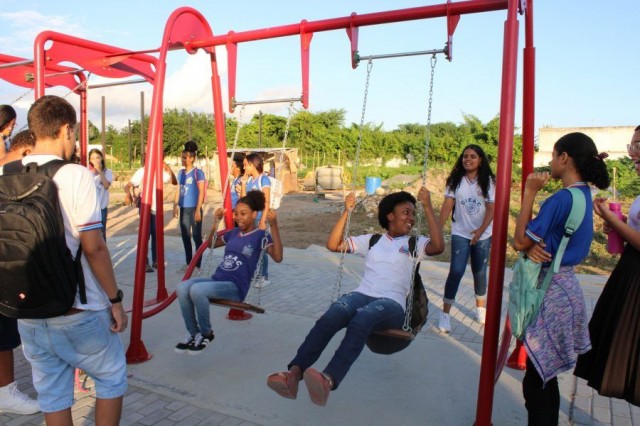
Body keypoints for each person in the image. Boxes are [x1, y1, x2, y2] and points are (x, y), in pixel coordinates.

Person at [0, 95, 128, 425]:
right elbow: (94, 248)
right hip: (78, 309)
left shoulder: (6, 172)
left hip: (26, 310)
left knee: (53, 394)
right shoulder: (74, 174)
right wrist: (115, 299)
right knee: (111, 378)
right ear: (65, 129)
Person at [266, 188, 444, 406]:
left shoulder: (413, 244)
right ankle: (293, 374)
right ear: (390, 216)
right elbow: (333, 245)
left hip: (392, 305)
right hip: (362, 294)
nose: (411, 218)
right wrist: (346, 212)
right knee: (331, 315)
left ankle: (328, 379)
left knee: (362, 319)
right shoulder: (372, 240)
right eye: (406, 212)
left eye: (413, 213)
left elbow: (438, 246)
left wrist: (426, 206)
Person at [512, 132, 610, 425]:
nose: (551, 162)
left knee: (538, 380)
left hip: (548, 291)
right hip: (567, 287)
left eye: (553, 155)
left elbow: (519, 241)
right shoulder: (583, 195)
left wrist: (528, 192)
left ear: (564, 158)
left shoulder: (560, 199)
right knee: (544, 374)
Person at [574, 126, 640, 406]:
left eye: (639, 145)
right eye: (632, 145)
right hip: (630, 272)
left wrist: (614, 222)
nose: (633, 152)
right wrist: (618, 224)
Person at [175, 191, 283, 354]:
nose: (238, 217)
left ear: (254, 214)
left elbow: (278, 257)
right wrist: (216, 222)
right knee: (182, 287)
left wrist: (274, 225)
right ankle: (193, 334)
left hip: (235, 287)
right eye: (236, 213)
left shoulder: (261, 236)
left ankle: (207, 334)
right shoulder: (233, 233)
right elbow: (211, 244)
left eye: (243, 214)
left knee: (197, 290)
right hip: (218, 280)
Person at [437, 144, 495, 332]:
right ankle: (445, 314)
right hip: (460, 232)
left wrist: (480, 231)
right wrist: (437, 227)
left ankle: (480, 308)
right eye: (465, 156)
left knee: (479, 271)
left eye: (472, 156)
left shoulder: (488, 181)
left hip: (483, 233)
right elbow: (447, 204)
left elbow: (491, 208)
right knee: (456, 271)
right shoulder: (455, 180)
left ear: (480, 160)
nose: (468, 159)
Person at [124, 159, 177, 272]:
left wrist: (167, 168)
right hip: (145, 207)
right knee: (145, 234)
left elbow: (174, 181)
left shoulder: (159, 172)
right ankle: (145, 261)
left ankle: (156, 260)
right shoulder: (142, 171)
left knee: (156, 234)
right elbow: (128, 185)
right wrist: (128, 194)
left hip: (157, 207)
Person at [173, 141, 206, 273]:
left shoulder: (198, 173)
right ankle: (189, 263)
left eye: (185, 157)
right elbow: (178, 190)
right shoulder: (181, 173)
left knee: (196, 237)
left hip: (194, 208)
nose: (182, 159)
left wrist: (198, 209)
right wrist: (175, 205)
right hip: (184, 209)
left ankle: (197, 265)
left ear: (192, 158)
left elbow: (202, 192)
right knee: (185, 236)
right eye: (182, 157)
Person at [240, 153, 272, 287]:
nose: (244, 168)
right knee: (251, 247)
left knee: (261, 248)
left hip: (260, 219)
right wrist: (242, 184)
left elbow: (266, 202)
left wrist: (263, 220)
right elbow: (244, 201)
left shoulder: (263, 180)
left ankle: (264, 276)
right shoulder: (249, 181)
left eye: (246, 165)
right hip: (251, 221)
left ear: (252, 165)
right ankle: (255, 273)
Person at [88, 148, 113, 240]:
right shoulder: (88, 172)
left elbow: (106, 185)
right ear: (90, 160)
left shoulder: (107, 172)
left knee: (102, 234)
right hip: (90, 208)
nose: (95, 160)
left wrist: (100, 170)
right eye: (93, 158)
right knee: (91, 235)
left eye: (97, 157)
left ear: (101, 158)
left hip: (101, 208)